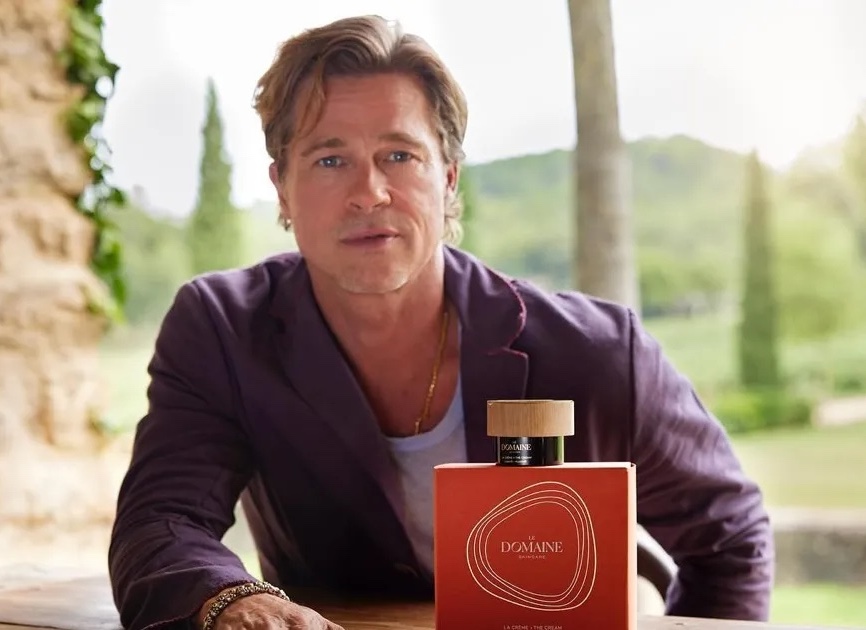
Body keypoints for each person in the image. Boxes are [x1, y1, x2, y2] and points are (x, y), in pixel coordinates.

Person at [107, 14, 774, 630]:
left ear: (448, 178)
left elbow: (730, 539)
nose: (369, 192)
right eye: (330, 159)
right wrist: (232, 601)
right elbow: (162, 520)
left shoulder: (596, 350)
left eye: (400, 155)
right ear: (282, 186)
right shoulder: (222, 330)